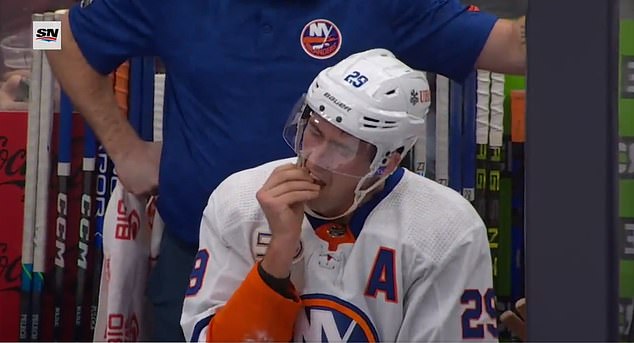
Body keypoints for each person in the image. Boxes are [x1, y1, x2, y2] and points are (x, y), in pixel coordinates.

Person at [45, 1, 525, 340]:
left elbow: (513, 46)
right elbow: (49, 33)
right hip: (200, 250)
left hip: (358, 264)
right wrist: (123, 147)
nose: (314, 153)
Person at [180, 49, 497, 342]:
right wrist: (278, 255)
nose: (314, 157)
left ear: (387, 161)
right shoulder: (240, 202)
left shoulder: (447, 231)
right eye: (315, 131)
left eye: (342, 147)